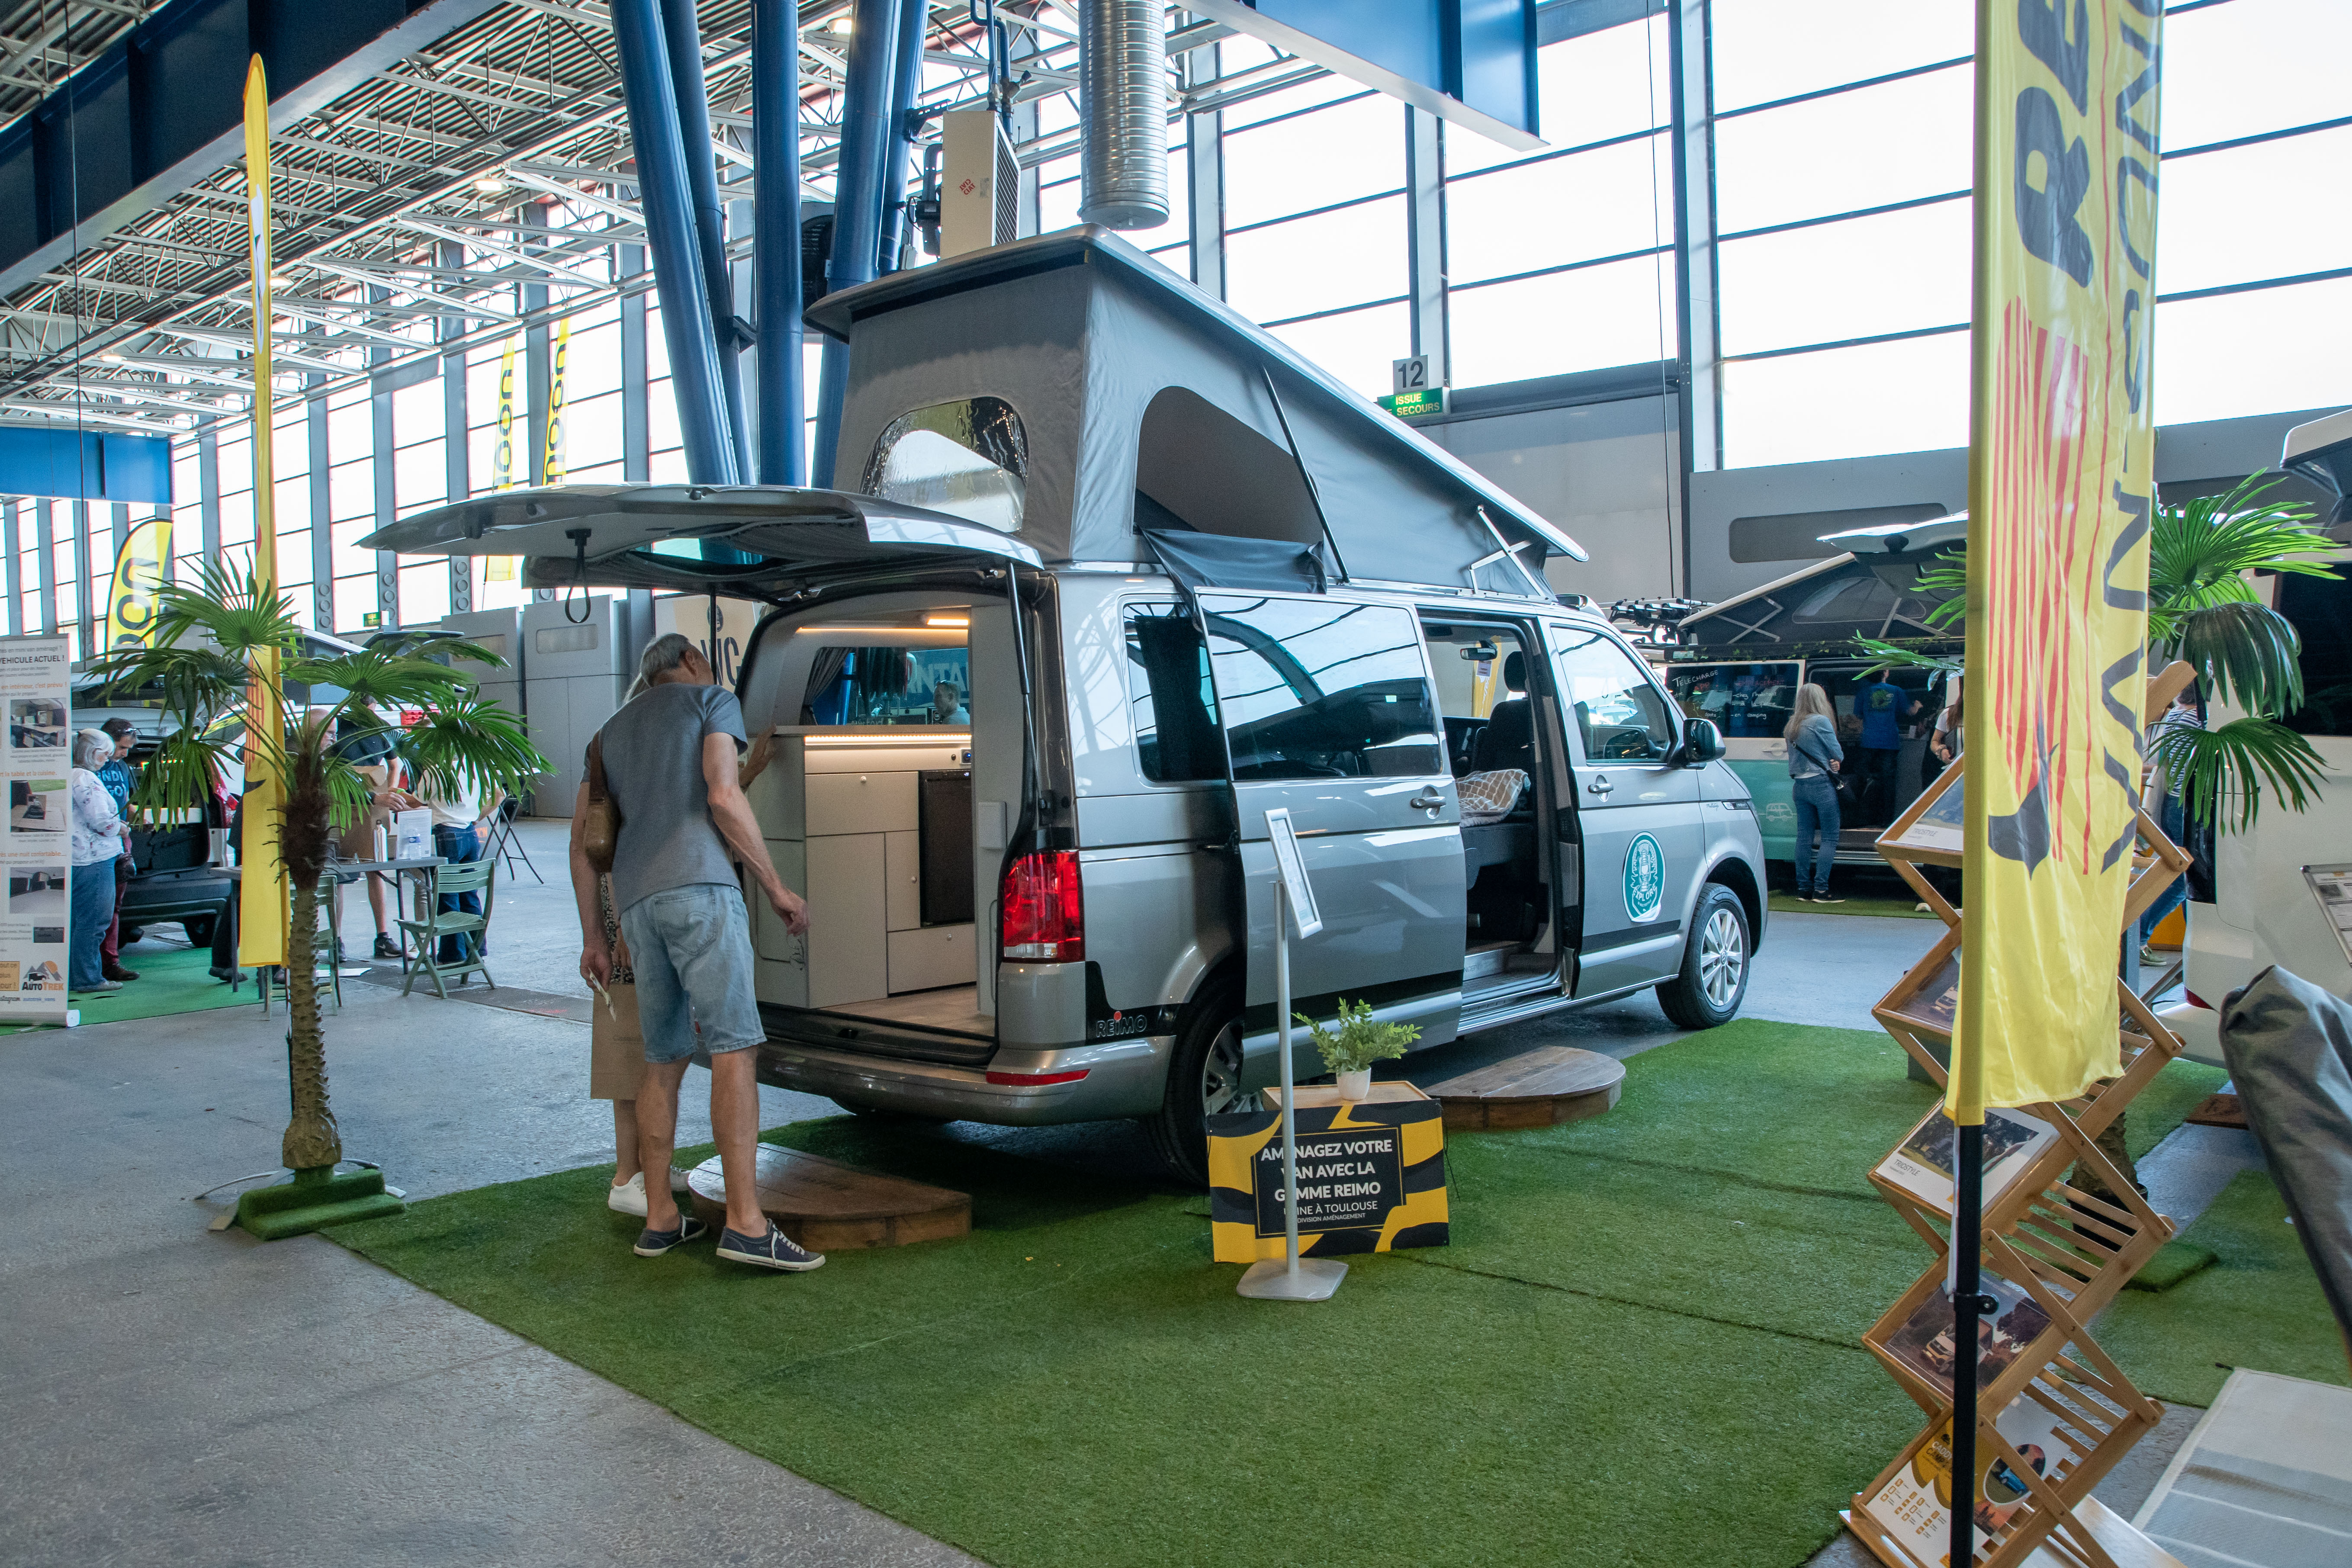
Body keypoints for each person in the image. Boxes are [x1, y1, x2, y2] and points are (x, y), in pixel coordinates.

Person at [573, 632, 819, 1271]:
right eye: (709, 660)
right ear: (689, 662)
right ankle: (745, 1224)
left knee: (664, 1057)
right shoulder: (711, 701)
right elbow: (721, 793)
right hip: (702, 892)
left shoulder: (608, 733)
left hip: (637, 907)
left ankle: (659, 1216)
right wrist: (777, 887)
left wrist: (594, 937)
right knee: (735, 1047)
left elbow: (584, 843)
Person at [330, 715, 419, 961]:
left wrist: (390, 790)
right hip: (344, 803)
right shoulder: (336, 728)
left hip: (373, 805)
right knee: (340, 873)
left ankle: (380, 937)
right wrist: (382, 794)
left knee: (374, 868)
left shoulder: (380, 730)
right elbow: (331, 780)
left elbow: (395, 763)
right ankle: (337, 940)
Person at [2138, 687, 2201, 961]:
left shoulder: (2176, 714)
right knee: (2187, 880)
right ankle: (2137, 936)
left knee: (2186, 878)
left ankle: (2196, 944)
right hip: (2186, 805)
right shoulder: (2198, 720)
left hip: (2171, 802)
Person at [67, 729, 127, 994]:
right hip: (94, 858)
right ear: (93, 753)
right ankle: (88, 978)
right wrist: (122, 827)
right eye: (104, 754)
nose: (107, 759)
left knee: (79, 922)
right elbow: (102, 822)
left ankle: (78, 975)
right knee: (94, 921)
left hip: (78, 857)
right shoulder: (85, 778)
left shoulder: (71, 775)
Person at [1784, 682, 1844, 904]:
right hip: (1820, 784)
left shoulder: (1792, 724)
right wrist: (1835, 763)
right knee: (1830, 837)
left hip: (1799, 787)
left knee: (1804, 837)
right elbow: (1837, 753)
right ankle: (1821, 890)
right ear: (1821, 700)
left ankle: (1803, 889)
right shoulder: (1821, 721)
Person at [95, 718, 139, 983]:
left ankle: (110, 962)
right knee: (96, 906)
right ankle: (93, 963)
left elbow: (128, 800)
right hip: (97, 844)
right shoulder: (90, 768)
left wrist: (139, 815)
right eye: (122, 748)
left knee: (115, 905)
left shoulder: (121, 766)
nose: (125, 754)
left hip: (121, 841)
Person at [1852, 674, 1918, 825]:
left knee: (1866, 782)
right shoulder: (1896, 690)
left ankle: (1865, 819)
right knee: (1888, 784)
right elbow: (1910, 712)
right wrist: (1918, 706)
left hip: (1868, 742)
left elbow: (1857, 715)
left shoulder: (1864, 692)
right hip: (1889, 742)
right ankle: (1886, 822)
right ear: (1886, 673)